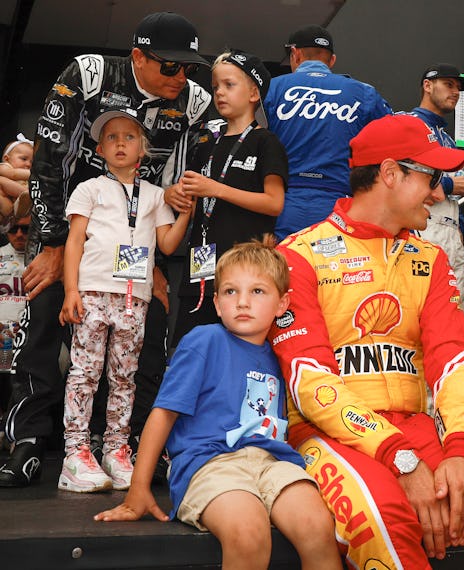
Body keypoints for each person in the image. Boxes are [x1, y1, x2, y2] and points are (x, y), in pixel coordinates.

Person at [270, 114, 464, 567]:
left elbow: (453, 359)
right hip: (329, 435)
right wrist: (403, 462)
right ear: (390, 174)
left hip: (419, 428)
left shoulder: (430, 258)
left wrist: (463, 451)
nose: (439, 192)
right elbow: (309, 382)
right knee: (381, 520)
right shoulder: (297, 255)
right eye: (432, 176)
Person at [0, 11, 211, 488]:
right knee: (46, 316)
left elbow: (175, 186)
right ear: (137, 56)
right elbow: (49, 162)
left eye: (190, 67)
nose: (183, 77)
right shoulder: (91, 75)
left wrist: (155, 259)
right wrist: (54, 245)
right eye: (171, 66)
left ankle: (126, 443)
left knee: (142, 338)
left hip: (134, 243)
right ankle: (29, 439)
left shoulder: (194, 102)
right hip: (68, 227)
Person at [95, 236, 341, 569]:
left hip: (273, 463)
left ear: (282, 304)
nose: (242, 302)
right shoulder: (204, 340)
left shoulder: (282, 356)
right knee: (249, 532)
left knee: (319, 526)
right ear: (216, 302)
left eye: (257, 291)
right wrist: (139, 488)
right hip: (211, 464)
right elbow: (163, 414)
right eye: (231, 291)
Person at [57, 109, 189, 493]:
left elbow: (166, 244)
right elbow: (75, 240)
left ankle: (116, 450)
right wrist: (70, 290)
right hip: (93, 292)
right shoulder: (89, 188)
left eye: (128, 137)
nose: (119, 143)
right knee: (84, 372)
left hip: (135, 298)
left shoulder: (152, 196)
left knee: (124, 377)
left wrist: (184, 215)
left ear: (143, 150)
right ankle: (75, 453)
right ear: (99, 148)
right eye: (111, 138)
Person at [169, 50, 288, 346]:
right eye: (215, 87)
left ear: (253, 92)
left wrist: (216, 189)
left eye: (229, 85)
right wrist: (175, 195)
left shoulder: (266, 141)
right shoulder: (206, 142)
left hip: (245, 277)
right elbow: (193, 194)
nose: (220, 93)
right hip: (200, 273)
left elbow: (274, 202)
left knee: (238, 355)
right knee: (192, 353)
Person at [263, 25, 392, 241]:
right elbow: (389, 141)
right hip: (339, 205)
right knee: (333, 272)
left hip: (281, 202)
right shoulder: (364, 93)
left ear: (295, 54)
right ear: (332, 60)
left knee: (282, 271)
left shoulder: (271, 88)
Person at [405, 63, 464, 309]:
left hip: (451, 230)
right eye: (448, 85)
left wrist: (460, 227)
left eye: (458, 88)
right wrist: (446, 183)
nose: (455, 92)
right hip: (421, 227)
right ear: (427, 85)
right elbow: (400, 174)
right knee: (422, 308)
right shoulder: (407, 123)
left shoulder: (447, 138)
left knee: (454, 309)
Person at [0, 134, 33, 222]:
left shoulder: (26, 178)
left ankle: (24, 203)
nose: (28, 164)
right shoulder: (4, 167)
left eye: (32, 162)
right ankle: (27, 194)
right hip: (5, 204)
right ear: (7, 159)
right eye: (24, 159)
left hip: (16, 208)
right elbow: (13, 174)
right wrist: (35, 173)